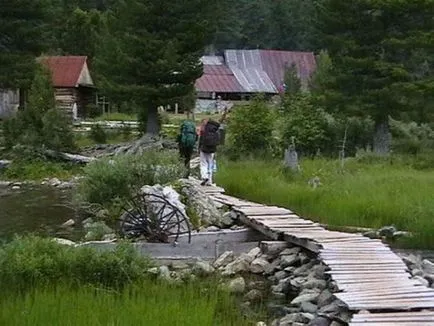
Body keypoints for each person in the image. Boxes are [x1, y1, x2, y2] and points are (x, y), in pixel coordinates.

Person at [198, 118, 220, 186]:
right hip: (212, 150)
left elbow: (201, 140)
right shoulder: (216, 130)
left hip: (204, 149)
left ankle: (204, 177)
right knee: (210, 164)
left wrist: (199, 148)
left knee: (203, 163)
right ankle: (209, 181)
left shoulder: (204, 130)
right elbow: (218, 141)